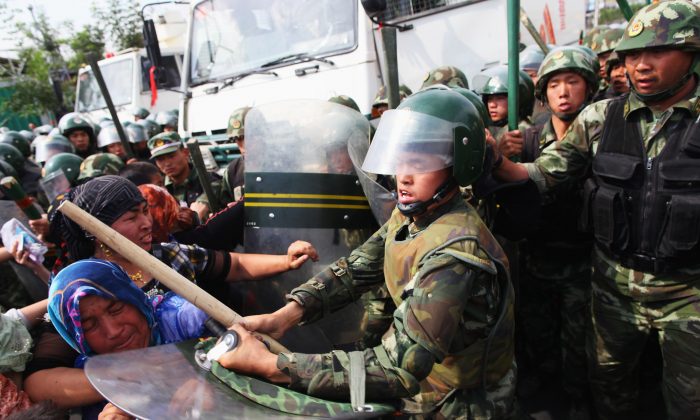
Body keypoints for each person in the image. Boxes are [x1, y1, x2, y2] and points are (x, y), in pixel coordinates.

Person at [216, 88, 517, 418]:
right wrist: (287, 315)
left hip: (463, 403)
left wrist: (273, 365)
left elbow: (399, 365)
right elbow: (357, 268)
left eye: (420, 162)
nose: (403, 176)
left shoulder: (455, 252)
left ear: (458, 165)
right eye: (401, 159)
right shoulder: (415, 214)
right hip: (432, 385)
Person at [491, 1, 700, 418]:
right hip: (613, 291)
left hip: (688, 296)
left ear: (691, 52)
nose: (641, 64)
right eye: (633, 54)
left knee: (688, 402)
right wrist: (493, 159)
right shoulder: (602, 117)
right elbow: (546, 173)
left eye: (656, 51)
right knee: (607, 386)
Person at [22, 175, 318, 410]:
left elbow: (232, 265)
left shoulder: (167, 256)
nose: (147, 223)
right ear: (95, 229)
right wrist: (136, 379)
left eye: (144, 211)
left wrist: (285, 261)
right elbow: (40, 382)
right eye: (131, 217)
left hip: (217, 381)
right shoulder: (77, 289)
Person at [501, 46, 599, 416]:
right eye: (554, 84)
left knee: (578, 341)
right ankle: (542, 385)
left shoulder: (604, 132)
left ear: (589, 88)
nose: (563, 91)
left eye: (572, 81)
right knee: (536, 332)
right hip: (537, 257)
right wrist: (504, 154)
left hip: (582, 260)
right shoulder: (526, 139)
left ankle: (577, 396)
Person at [47, 258, 210, 418]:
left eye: (116, 309)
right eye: (90, 325)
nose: (113, 331)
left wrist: (216, 386)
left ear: (134, 298)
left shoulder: (189, 320)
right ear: (78, 340)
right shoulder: (94, 376)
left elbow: (232, 350)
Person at [148, 132, 222, 221]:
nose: (167, 163)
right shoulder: (159, 188)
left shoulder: (209, 180)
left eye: (171, 156)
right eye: (160, 159)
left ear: (185, 152)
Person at [475, 65, 534, 148]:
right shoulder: (494, 128)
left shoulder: (522, 130)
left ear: (518, 99)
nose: (492, 105)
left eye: (499, 98)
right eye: (490, 99)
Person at [219, 106, 251, 204]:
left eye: (248, 136)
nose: (244, 144)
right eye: (238, 138)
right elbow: (224, 205)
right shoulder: (232, 171)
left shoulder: (280, 166)